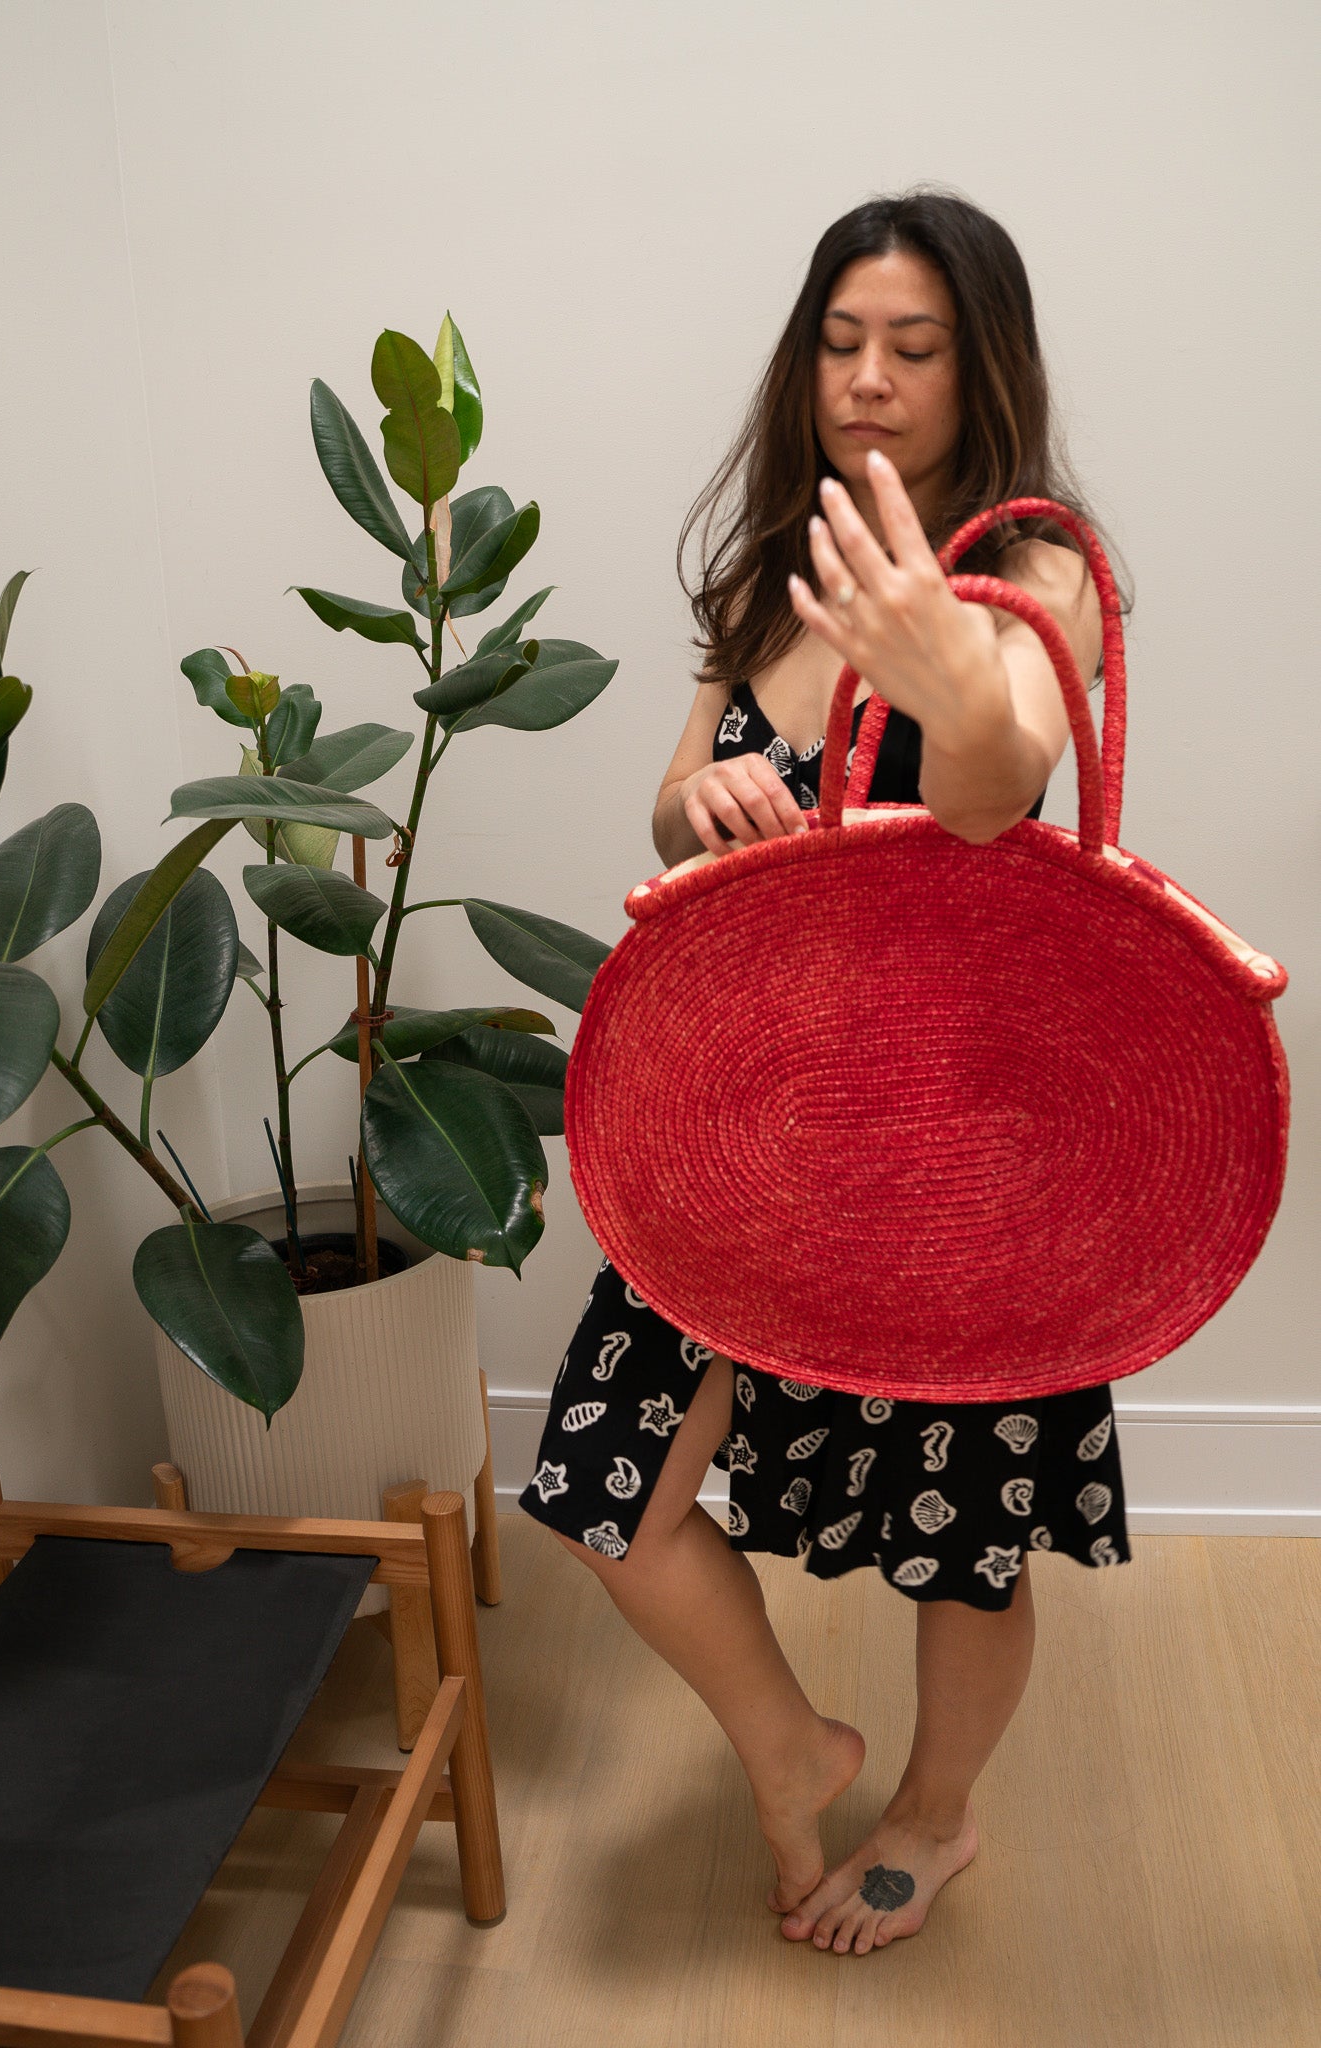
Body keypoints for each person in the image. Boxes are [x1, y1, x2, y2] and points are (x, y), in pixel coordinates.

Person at [518, 189, 1134, 1959]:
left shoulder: (1035, 575)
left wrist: (949, 681)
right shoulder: (777, 560)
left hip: (968, 1146)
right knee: (600, 1482)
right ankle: (795, 1745)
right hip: (758, 1127)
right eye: (841, 345)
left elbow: (996, 785)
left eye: (914, 351)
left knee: (967, 1537)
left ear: (979, 369)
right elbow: (671, 788)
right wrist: (694, 803)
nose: (868, 381)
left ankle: (936, 1818)